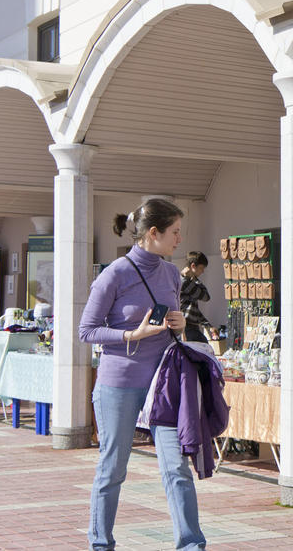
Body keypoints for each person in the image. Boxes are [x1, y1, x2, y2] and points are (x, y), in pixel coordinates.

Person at [79, 198, 207, 550]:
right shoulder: (114, 274)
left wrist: (177, 323)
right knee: (113, 468)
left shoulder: (171, 274)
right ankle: (100, 544)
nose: (180, 239)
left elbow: (170, 321)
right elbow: (87, 330)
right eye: (175, 232)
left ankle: (191, 544)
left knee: (176, 467)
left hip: (163, 384)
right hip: (118, 383)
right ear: (154, 233)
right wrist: (130, 335)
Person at [180, 251, 217, 343]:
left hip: (190, 327)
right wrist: (194, 279)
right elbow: (205, 297)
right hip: (186, 329)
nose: (202, 271)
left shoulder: (187, 281)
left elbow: (193, 310)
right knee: (203, 348)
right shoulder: (184, 282)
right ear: (193, 266)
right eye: (201, 268)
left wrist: (208, 325)